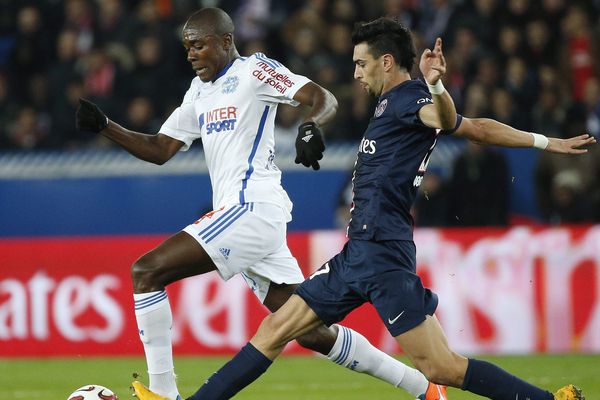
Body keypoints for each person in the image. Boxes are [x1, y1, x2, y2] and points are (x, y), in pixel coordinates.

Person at [182, 17, 594, 400]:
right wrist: (545, 141)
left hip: (382, 253)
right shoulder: (388, 105)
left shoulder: (411, 97)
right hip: (357, 253)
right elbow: (479, 128)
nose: (356, 74)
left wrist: (435, 86)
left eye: (361, 64)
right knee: (274, 330)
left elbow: (446, 119)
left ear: (386, 61)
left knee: (442, 366)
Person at [75, 8, 447, 400]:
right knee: (310, 332)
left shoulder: (254, 71)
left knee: (146, 271)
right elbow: (161, 149)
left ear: (225, 41)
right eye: (187, 47)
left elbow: (322, 97)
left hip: (248, 208)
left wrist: (310, 125)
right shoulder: (198, 92)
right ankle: (424, 388)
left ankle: (164, 394)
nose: (191, 54)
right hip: (247, 219)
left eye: (198, 45)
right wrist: (106, 127)